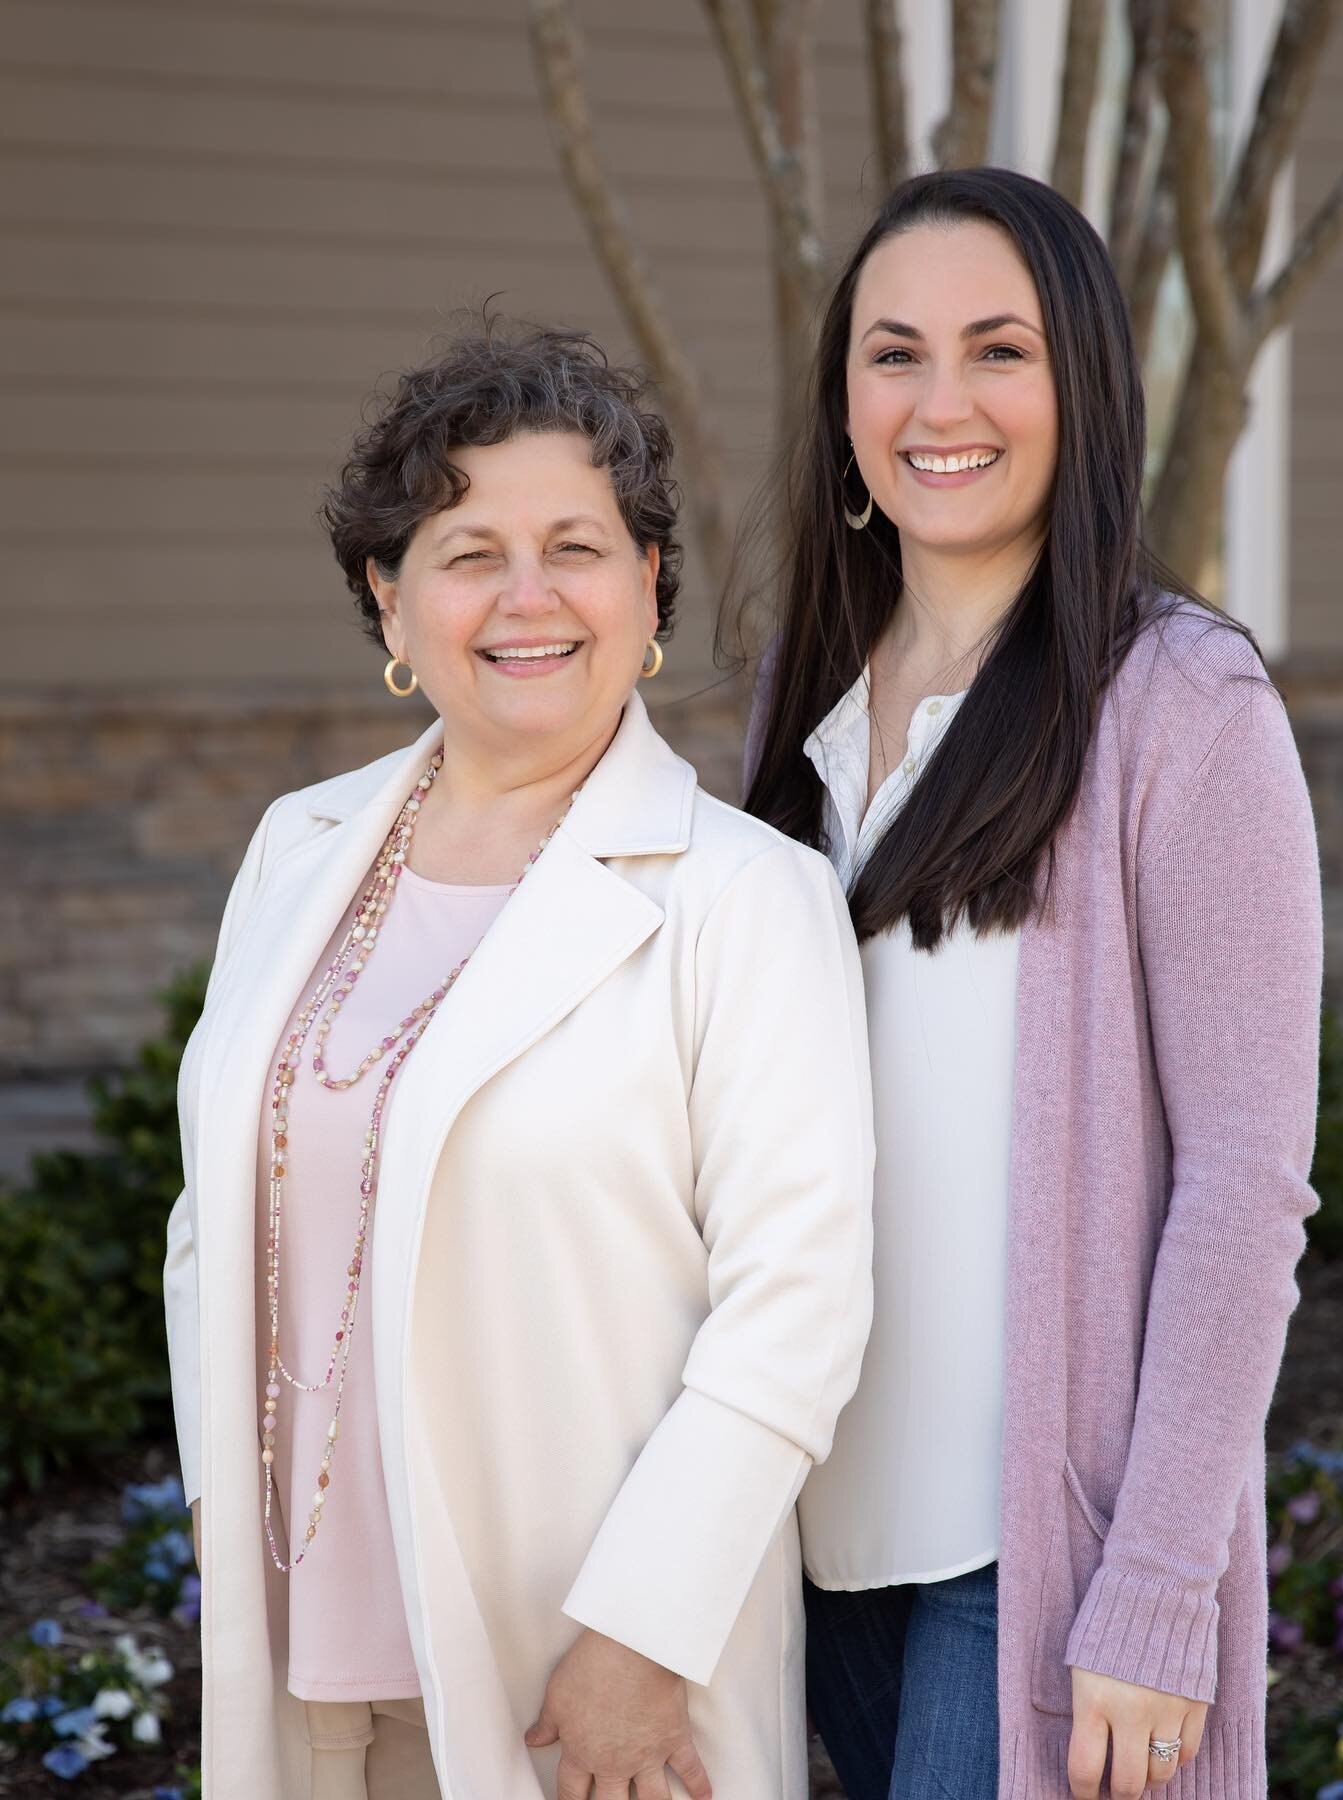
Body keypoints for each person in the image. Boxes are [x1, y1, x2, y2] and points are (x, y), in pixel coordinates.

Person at [164, 324, 874, 1800]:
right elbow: (211, 1221)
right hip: (299, 1662)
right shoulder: (296, 851)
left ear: (649, 584)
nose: (530, 596)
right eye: (469, 551)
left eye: (578, 546)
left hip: (584, 1687)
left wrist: (642, 1635)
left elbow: (795, 1305)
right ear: (390, 599)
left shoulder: (741, 898)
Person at [741, 169, 1323, 1800]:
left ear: (1083, 384)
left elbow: (1244, 1189)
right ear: (842, 399)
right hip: (809, 1539)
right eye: (892, 353)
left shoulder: (1180, 705)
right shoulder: (806, 721)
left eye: (998, 351)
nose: (940, 404)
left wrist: (1157, 1589)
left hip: (1032, 1563)